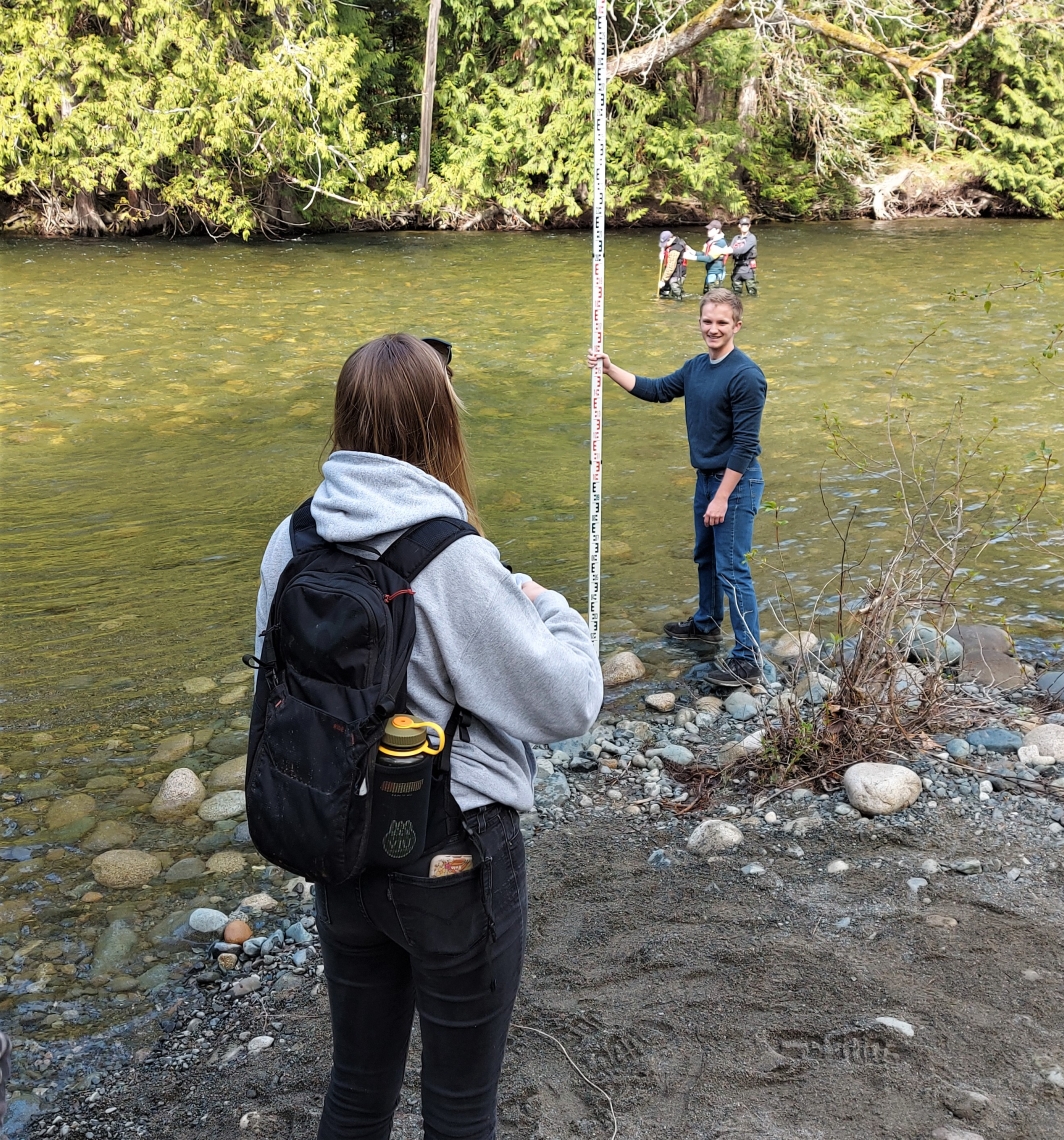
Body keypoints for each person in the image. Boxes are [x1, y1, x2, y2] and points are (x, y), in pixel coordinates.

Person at [255, 333, 603, 1140]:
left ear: (343, 420)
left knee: (355, 1089)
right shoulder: (449, 558)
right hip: (451, 861)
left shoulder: (293, 540)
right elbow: (567, 704)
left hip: (337, 848)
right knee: (457, 1110)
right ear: (440, 425)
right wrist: (548, 607)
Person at [587, 289, 769, 687]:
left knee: (733, 570)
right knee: (705, 557)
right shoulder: (697, 367)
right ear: (700, 323)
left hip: (735, 483)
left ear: (737, 325)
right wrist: (609, 368)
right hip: (707, 479)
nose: (713, 328)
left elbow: (746, 445)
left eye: (722, 322)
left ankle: (748, 658)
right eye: (708, 321)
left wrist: (722, 496)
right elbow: (655, 389)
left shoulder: (746, 376)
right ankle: (706, 624)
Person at [685, 220, 729, 293]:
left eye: (711, 229)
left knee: (713, 297)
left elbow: (709, 258)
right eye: (708, 229)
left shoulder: (720, 243)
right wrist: (692, 252)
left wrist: (691, 257)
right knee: (706, 293)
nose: (708, 231)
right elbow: (704, 254)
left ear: (717, 230)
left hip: (716, 273)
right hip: (710, 272)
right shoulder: (709, 241)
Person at [729, 217, 758, 296]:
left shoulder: (752, 238)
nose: (745, 227)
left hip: (748, 269)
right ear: (739, 226)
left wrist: (729, 251)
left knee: (752, 294)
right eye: (743, 225)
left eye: (746, 225)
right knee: (735, 295)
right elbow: (730, 250)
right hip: (737, 269)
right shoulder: (736, 238)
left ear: (749, 226)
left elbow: (743, 250)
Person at [657, 230, 687, 299]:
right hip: (671, 272)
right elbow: (664, 248)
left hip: (678, 273)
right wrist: (662, 253)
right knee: (664, 291)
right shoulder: (672, 242)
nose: (664, 245)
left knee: (675, 288)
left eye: (665, 243)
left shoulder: (675, 249)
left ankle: (678, 304)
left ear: (670, 239)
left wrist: (663, 280)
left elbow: (671, 266)